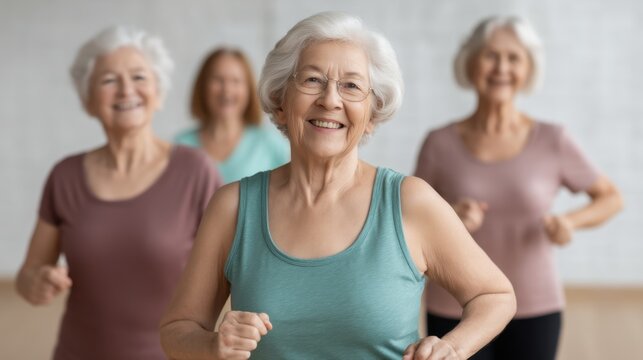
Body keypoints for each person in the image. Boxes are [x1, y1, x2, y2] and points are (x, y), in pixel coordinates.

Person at [160, 12, 516, 360]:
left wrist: (453, 348)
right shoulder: (233, 206)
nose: (330, 100)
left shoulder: (410, 201)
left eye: (351, 86)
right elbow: (178, 329)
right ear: (281, 103)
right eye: (312, 80)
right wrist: (212, 346)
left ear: (372, 116)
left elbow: (495, 295)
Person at [414, 16, 623, 360]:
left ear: (528, 69)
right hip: (456, 305)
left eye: (514, 58)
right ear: (470, 63)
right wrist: (450, 216)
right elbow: (411, 221)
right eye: (490, 55)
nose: (502, 68)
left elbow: (610, 197)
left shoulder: (553, 140)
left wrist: (570, 222)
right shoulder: (439, 143)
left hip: (535, 304)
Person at [15, 26, 222, 360]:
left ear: (159, 91)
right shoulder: (64, 176)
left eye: (139, 77)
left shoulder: (196, 171)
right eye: (109, 80)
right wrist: (36, 282)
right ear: (87, 100)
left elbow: (237, 273)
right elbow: (29, 274)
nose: (126, 89)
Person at [175, 47, 290, 184]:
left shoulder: (270, 144)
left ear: (249, 89)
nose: (227, 90)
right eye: (218, 80)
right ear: (202, 86)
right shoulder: (180, 147)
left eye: (236, 81)